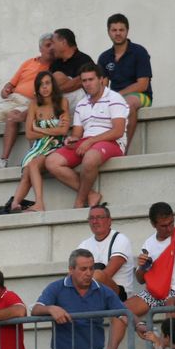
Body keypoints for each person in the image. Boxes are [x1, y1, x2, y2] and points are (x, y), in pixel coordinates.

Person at [44, 64, 127, 209]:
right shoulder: (81, 104)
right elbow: (77, 134)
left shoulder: (115, 98)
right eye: (84, 81)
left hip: (112, 141)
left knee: (89, 158)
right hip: (87, 141)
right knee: (51, 162)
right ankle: (91, 194)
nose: (87, 84)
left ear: (101, 79)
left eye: (91, 79)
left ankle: (80, 201)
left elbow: (118, 131)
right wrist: (71, 140)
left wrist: (91, 141)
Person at [0, 33, 55, 168]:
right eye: (48, 45)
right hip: (13, 100)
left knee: (12, 117)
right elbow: (11, 84)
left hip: (31, 102)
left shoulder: (56, 66)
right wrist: (6, 89)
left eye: (53, 45)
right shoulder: (29, 62)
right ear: (40, 48)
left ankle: (3, 160)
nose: (52, 48)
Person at [1, 71, 70, 213]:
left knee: (32, 164)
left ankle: (39, 203)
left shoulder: (62, 102)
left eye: (47, 83)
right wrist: (52, 129)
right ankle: (15, 204)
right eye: (41, 85)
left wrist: (38, 128)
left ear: (53, 85)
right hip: (38, 147)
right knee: (27, 170)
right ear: (37, 88)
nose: (44, 87)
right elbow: (29, 134)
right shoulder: (34, 105)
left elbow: (63, 131)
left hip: (55, 145)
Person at [125, 202, 175, 324]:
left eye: (171, 223)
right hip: (155, 293)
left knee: (170, 304)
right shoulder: (149, 243)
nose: (169, 228)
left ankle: (163, 337)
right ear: (153, 224)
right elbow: (140, 280)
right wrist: (143, 267)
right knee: (120, 311)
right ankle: (145, 331)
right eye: (164, 226)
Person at [98, 13, 153, 153]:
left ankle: (124, 149)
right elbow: (102, 86)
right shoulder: (104, 57)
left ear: (127, 31)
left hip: (142, 96)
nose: (118, 33)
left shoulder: (139, 52)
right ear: (108, 32)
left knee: (127, 104)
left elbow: (143, 85)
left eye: (121, 30)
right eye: (114, 30)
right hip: (115, 97)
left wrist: (117, 95)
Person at [77, 203, 135, 300]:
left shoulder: (120, 239)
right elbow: (74, 274)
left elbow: (106, 274)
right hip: (92, 292)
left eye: (99, 217)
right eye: (91, 218)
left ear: (109, 221)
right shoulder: (84, 245)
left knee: (98, 275)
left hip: (119, 295)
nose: (95, 221)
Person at [49, 28, 96, 112]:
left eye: (53, 43)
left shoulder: (84, 60)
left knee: (57, 76)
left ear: (63, 42)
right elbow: (47, 84)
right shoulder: (55, 64)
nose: (52, 47)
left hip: (83, 108)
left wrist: (56, 89)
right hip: (60, 109)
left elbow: (82, 81)